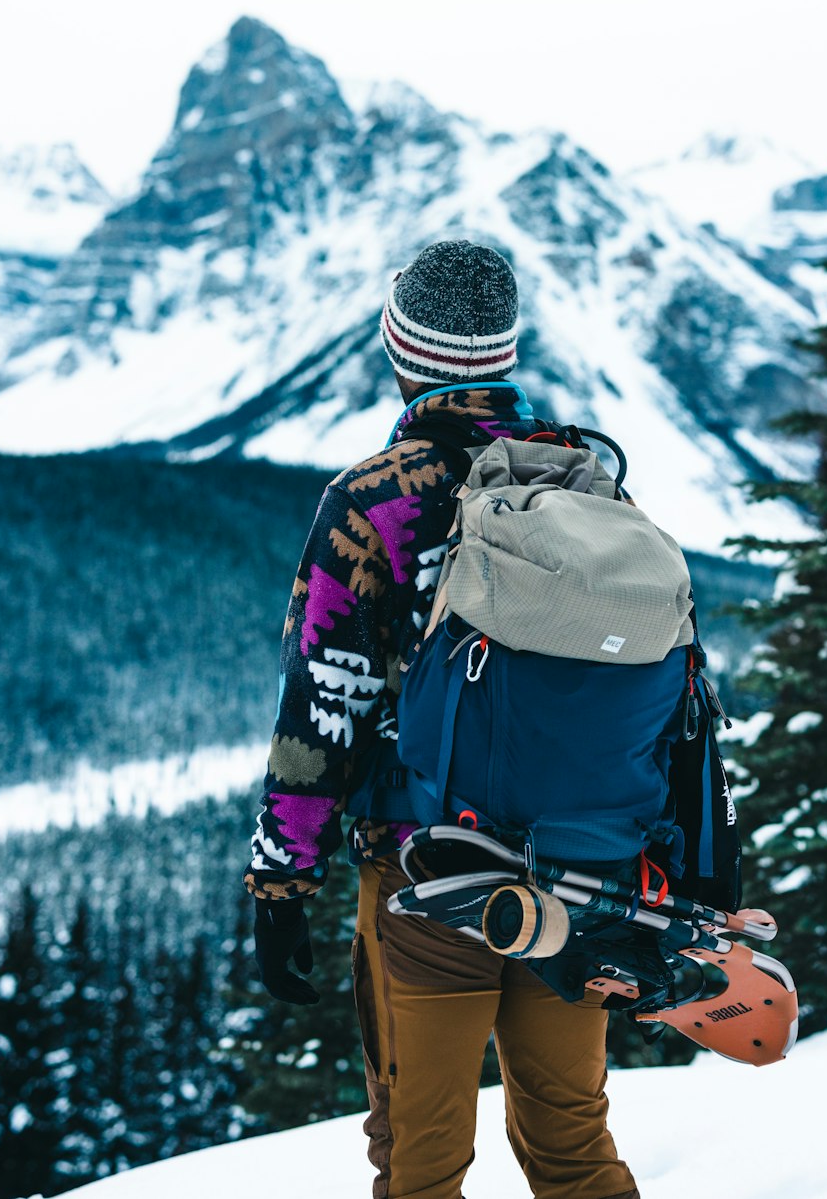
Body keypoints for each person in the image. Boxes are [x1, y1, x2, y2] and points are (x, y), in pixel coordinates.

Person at [245, 239, 639, 1199]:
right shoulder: (590, 487)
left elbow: (324, 703)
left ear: (400, 349)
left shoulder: (374, 500)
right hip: (575, 871)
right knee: (573, 1143)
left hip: (425, 871)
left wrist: (280, 881)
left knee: (419, 1160)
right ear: (504, 354)